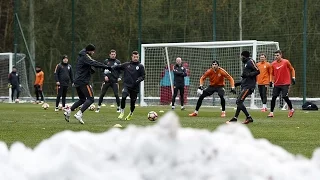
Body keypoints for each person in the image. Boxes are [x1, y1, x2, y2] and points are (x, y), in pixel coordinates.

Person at [63, 44, 109, 124]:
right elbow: (93, 63)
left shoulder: (81, 55)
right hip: (83, 81)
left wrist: (90, 70)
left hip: (78, 80)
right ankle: (79, 114)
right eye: (93, 51)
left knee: (82, 99)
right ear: (89, 51)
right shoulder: (85, 56)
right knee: (91, 99)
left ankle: (68, 111)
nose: (93, 53)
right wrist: (105, 66)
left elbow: (85, 66)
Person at [107, 51, 145, 121]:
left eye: (137, 57)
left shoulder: (140, 66)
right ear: (132, 57)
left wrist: (139, 79)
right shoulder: (127, 65)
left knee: (132, 103)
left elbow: (143, 76)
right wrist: (111, 67)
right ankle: (122, 112)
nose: (136, 58)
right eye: (134, 57)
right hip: (127, 85)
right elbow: (118, 66)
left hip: (135, 87)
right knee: (124, 96)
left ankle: (131, 113)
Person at [226, 51, 260, 124]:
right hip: (245, 85)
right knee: (239, 102)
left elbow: (257, 71)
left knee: (239, 101)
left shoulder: (250, 61)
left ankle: (249, 117)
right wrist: (237, 83)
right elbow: (246, 77)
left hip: (249, 86)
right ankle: (235, 118)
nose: (241, 58)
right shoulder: (246, 64)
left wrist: (249, 74)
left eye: (242, 57)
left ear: (245, 56)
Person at [267, 50, 295, 118]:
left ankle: (291, 109)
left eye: (277, 55)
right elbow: (271, 74)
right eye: (275, 55)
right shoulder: (273, 64)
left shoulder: (286, 62)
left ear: (281, 55)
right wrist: (271, 81)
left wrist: (293, 77)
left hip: (285, 83)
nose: (276, 57)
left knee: (284, 96)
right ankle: (271, 113)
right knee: (273, 97)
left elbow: (292, 69)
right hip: (277, 83)